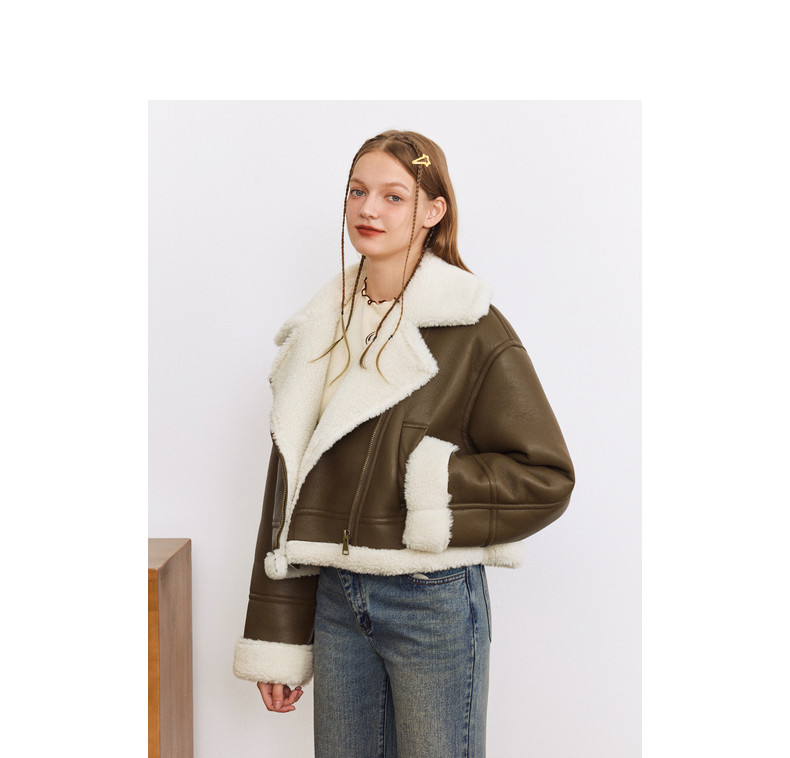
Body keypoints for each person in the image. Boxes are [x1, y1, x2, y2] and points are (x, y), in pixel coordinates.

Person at [233, 129, 575, 757]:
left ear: (432, 210)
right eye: (357, 191)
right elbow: (289, 483)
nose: (369, 209)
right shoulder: (319, 327)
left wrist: (427, 493)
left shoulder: (471, 327)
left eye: (394, 196)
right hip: (336, 598)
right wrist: (278, 638)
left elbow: (546, 477)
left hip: (431, 600)